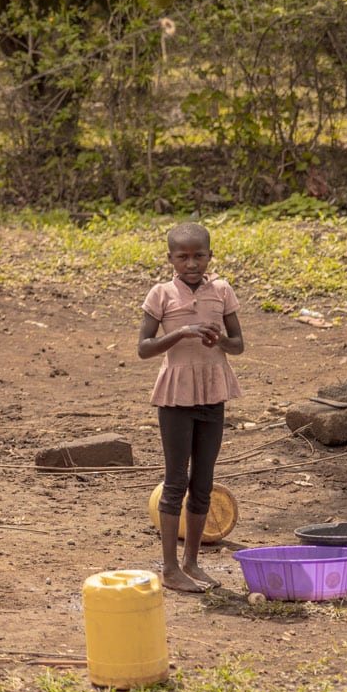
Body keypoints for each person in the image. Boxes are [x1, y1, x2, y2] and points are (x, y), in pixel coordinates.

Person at [136, 221, 244, 593]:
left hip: (213, 392)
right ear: (171, 259)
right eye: (183, 257)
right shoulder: (161, 295)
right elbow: (144, 348)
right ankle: (169, 568)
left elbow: (239, 345)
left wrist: (221, 340)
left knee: (204, 482)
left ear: (210, 256)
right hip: (175, 397)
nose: (192, 263)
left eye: (199, 255)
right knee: (176, 480)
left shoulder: (222, 291)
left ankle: (192, 562)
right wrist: (180, 333)